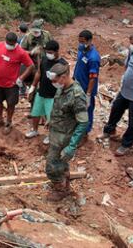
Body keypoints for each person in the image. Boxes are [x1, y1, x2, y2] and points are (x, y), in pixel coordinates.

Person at [45, 63, 88, 201]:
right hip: (56, 131)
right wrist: (51, 120)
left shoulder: (76, 95)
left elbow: (83, 122)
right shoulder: (62, 87)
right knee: (61, 163)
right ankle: (65, 182)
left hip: (65, 136)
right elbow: (59, 106)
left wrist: (72, 146)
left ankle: (60, 190)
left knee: (52, 166)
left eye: (55, 80)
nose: (53, 84)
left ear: (63, 77)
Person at [0, 32, 34, 135]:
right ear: (5, 41)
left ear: (15, 43)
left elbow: (30, 66)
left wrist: (21, 78)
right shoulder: (0, 45)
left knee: (11, 104)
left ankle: (8, 122)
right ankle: (0, 119)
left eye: (12, 44)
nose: (10, 46)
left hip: (12, 85)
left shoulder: (21, 52)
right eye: (8, 43)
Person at [25, 40, 69, 144]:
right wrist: (33, 86)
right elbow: (38, 73)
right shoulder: (43, 59)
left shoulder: (63, 64)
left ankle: (51, 135)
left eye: (51, 52)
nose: (49, 54)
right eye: (47, 52)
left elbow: (66, 80)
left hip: (53, 96)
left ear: (57, 51)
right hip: (42, 92)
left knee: (52, 117)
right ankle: (34, 130)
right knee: (36, 113)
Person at [73, 30, 100, 137]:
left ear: (90, 41)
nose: (80, 44)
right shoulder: (81, 49)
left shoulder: (93, 58)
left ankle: (84, 134)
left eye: (83, 41)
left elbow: (93, 78)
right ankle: (77, 129)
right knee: (77, 109)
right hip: (78, 85)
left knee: (86, 112)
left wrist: (88, 95)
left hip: (86, 89)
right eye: (79, 41)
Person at [20, 19, 53, 97]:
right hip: (32, 64)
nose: (35, 33)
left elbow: (52, 46)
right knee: (33, 85)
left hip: (45, 63)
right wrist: (31, 52)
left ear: (41, 29)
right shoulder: (27, 37)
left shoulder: (47, 35)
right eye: (34, 31)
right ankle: (33, 102)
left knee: (45, 83)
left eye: (37, 32)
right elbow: (21, 51)